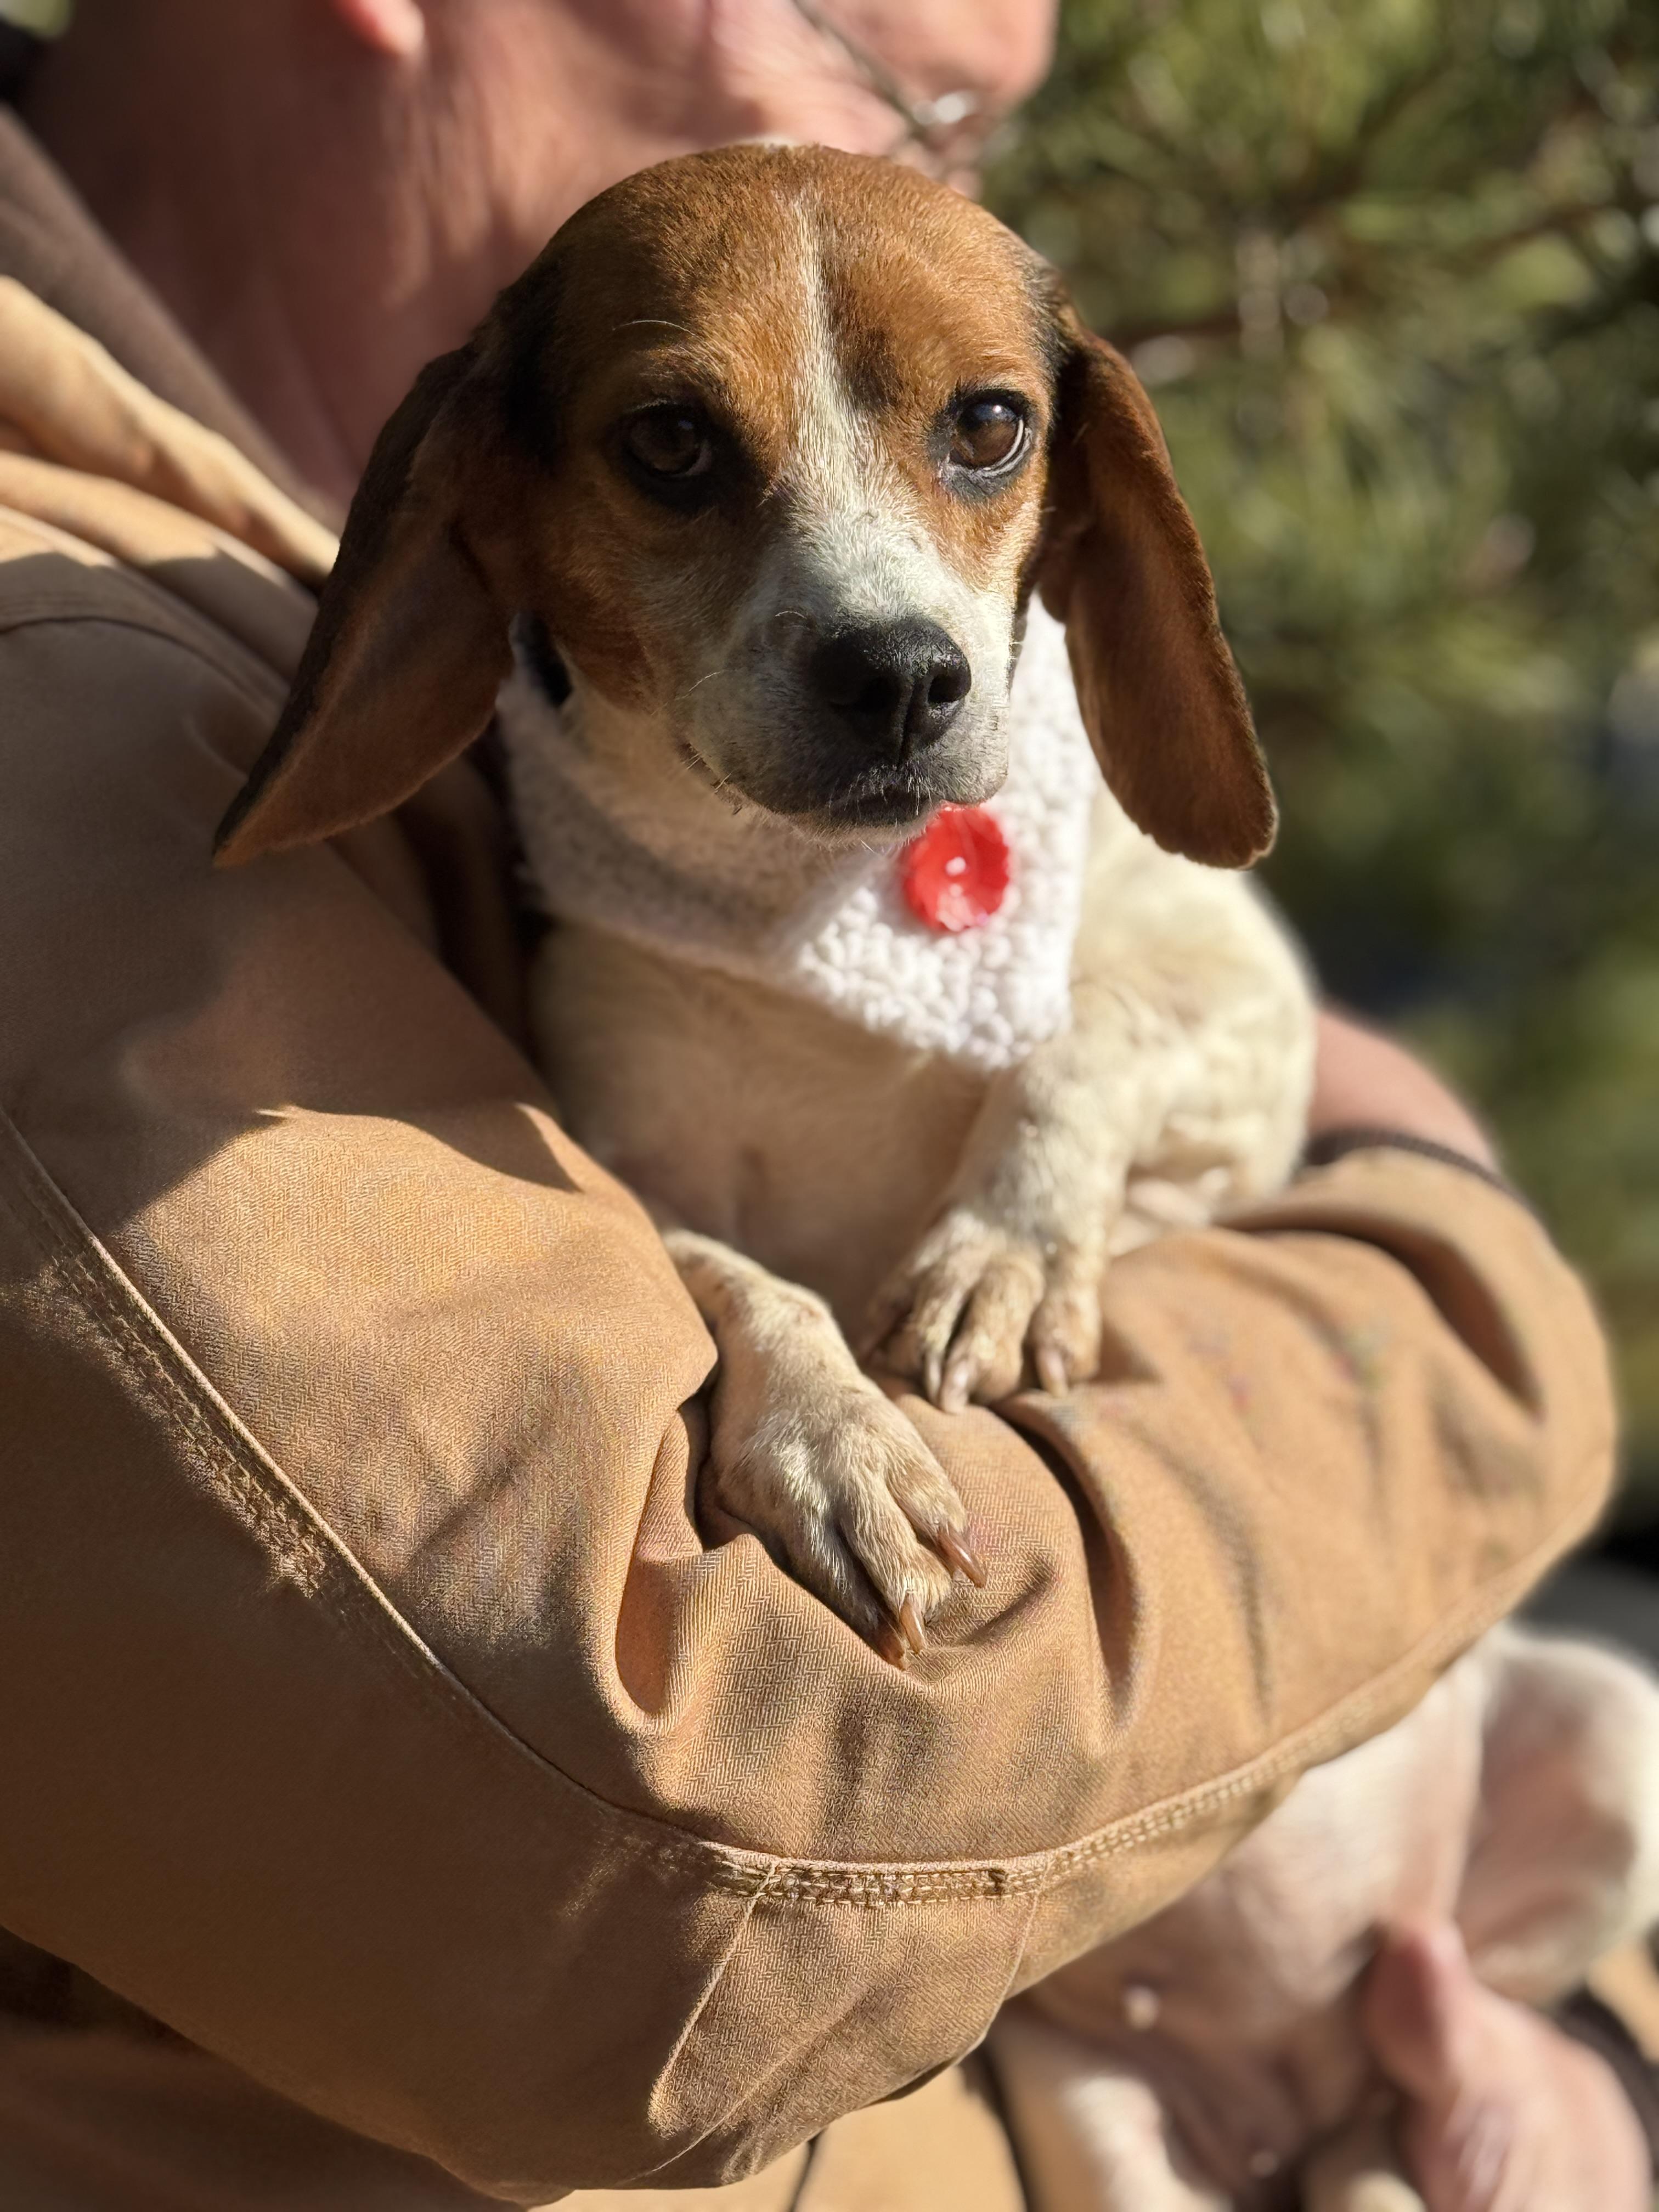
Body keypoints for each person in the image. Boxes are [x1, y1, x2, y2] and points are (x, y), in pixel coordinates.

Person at [0, 3, 1649, 2205]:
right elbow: (701, 1836)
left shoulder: (388, 603)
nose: (938, 190)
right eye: (899, 93)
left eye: (975, 142)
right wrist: (1449, 1268)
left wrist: (1582, 2064)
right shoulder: (66, 682)